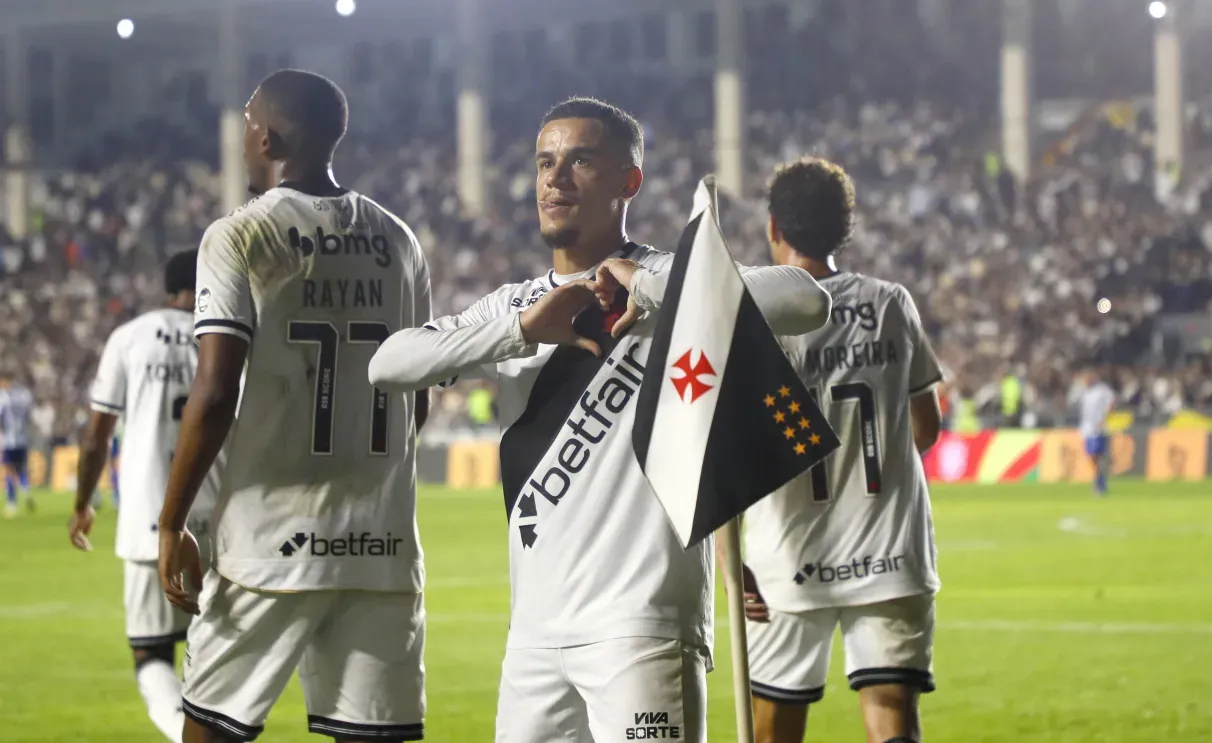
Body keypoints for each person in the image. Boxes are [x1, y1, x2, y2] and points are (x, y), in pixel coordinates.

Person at [368, 97, 830, 743]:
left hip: (642, 629)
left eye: (580, 161)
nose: (555, 179)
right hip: (534, 637)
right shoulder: (516, 305)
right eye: (544, 163)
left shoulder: (670, 279)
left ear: (628, 181)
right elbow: (387, 364)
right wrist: (523, 329)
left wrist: (649, 288)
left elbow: (807, 299)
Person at [156, 69, 432, 743]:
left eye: (249, 122)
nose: (243, 137)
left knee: (211, 731)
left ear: (268, 138)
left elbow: (214, 392)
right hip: (381, 546)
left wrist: (170, 523)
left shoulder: (239, 235)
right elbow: (416, 399)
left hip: (270, 545)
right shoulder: (400, 240)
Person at [725, 157, 944, 743]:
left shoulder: (755, 317)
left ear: (774, 226)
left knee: (775, 730)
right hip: (890, 555)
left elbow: (731, 450)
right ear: (844, 228)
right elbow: (926, 429)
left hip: (785, 561)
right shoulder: (890, 302)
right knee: (893, 720)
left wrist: (727, 560)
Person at [70, 249, 219, 743]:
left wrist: (82, 503)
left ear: (167, 287)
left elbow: (96, 437)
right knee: (214, 658)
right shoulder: (226, 336)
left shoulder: (130, 337)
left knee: (152, 655)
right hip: (218, 522)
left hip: (148, 521)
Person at [0, 372, 35, 518]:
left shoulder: (3, 397)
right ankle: (26, 490)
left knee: (9, 470)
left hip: (8, 440)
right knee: (21, 469)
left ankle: (12, 502)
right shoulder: (24, 396)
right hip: (23, 439)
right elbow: (28, 416)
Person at [1076, 369, 1116, 495]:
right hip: (1087, 428)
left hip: (1099, 428)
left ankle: (1100, 481)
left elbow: (1112, 402)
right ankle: (1099, 479)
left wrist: (1105, 417)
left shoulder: (1102, 390)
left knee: (1097, 455)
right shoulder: (1085, 392)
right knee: (1091, 456)